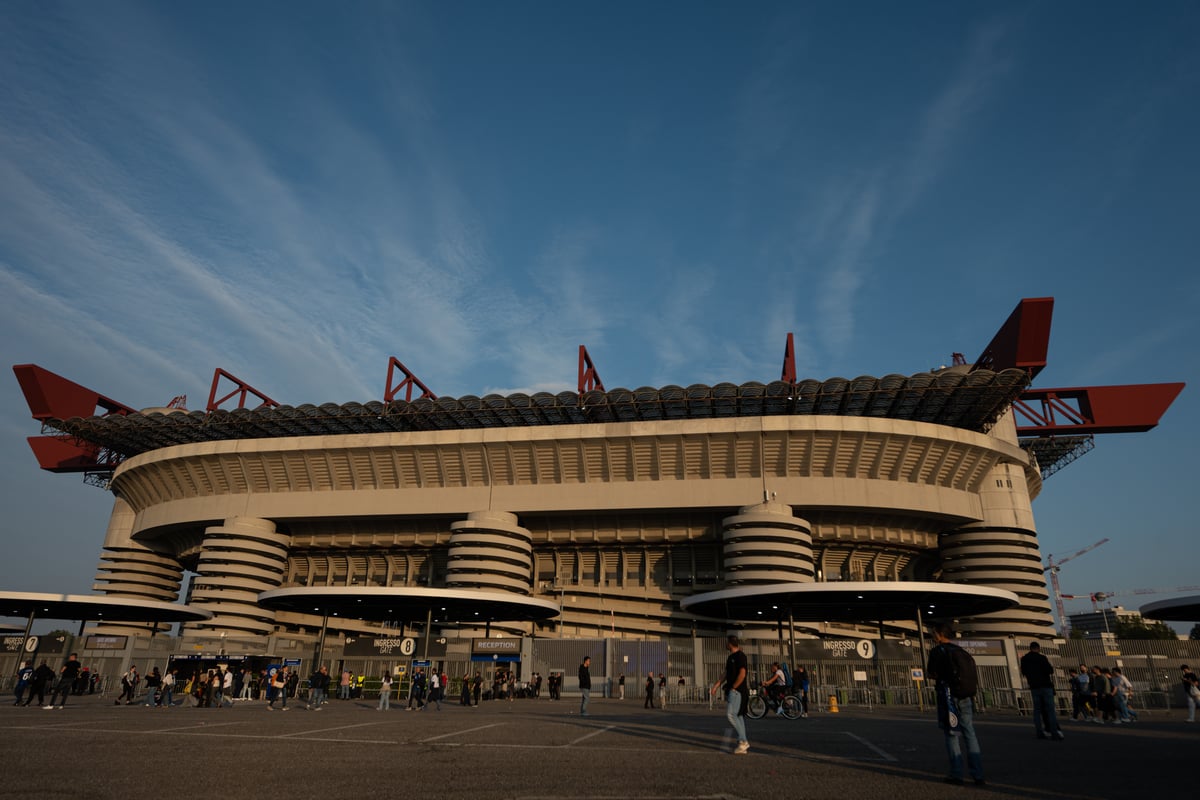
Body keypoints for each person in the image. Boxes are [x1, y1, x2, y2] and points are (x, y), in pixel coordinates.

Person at [926, 622, 984, 785]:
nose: (932, 635)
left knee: (952, 734)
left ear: (939, 634)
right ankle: (978, 774)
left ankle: (956, 773)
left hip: (948, 696)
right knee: (969, 732)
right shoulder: (960, 651)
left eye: (934, 633)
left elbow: (932, 673)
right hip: (965, 695)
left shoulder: (937, 651)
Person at [710, 634, 749, 754]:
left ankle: (743, 741)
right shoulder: (730, 657)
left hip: (737, 691)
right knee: (739, 716)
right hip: (735, 691)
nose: (725, 644)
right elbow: (726, 673)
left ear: (730, 643)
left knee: (731, 714)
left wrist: (734, 687)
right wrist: (716, 685)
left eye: (727, 642)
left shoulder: (740, 656)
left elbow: (742, 673)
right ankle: (742, 743)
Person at [1019, 642, 1063, 740]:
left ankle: (1039, 732)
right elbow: (1050, 670)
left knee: (1037, 711)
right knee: (1050, 710)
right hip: (1045, 685)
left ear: (1030, 648)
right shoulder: (1042, 658)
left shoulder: (1024, 659)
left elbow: (1024, 672)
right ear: (1038, 648)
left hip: (1034, 686)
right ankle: (1054, 732)